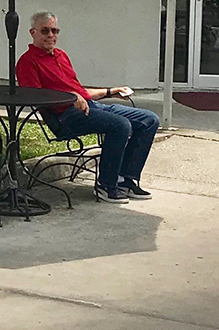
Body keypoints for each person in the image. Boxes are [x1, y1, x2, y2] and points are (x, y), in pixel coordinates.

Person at [14, 12, 158, 203]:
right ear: (33, 32)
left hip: (89, 106)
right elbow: (35, 97)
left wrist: (109, 91)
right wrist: (70, 98)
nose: (51, 35)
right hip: (64, 116)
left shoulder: (61, 55)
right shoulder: (27, 61)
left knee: (149, 120)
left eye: (54, 30)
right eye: (45, 30)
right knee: (120, 125)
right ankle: (106, 185)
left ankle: (126, 180)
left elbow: (79, 92)